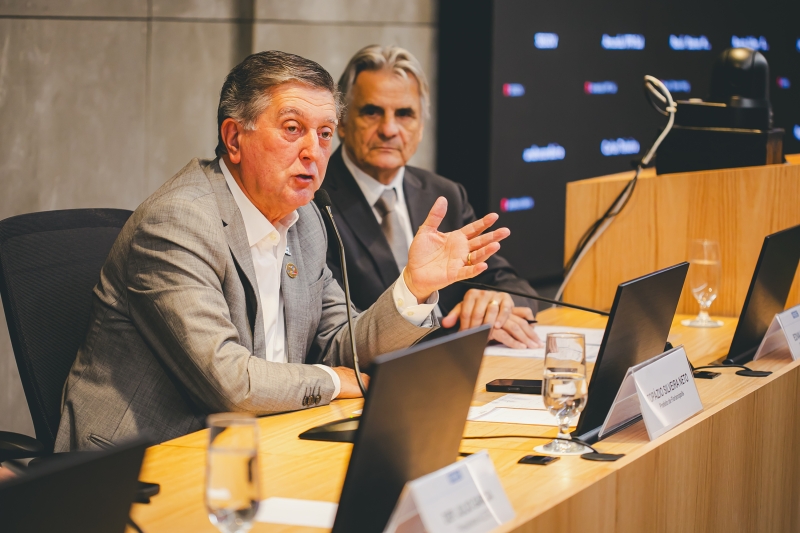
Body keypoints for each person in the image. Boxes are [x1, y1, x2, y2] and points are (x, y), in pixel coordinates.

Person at [54, 51, 509, 451]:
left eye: (326, 133)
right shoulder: (180, 223)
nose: (314, 151)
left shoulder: (307, 220)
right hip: (143, 464)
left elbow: (341, 344)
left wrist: (413, 287)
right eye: (293, 129)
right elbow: (230, 383)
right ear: (234, 139)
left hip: (259, 441)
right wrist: (333, 381)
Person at [321, 45, 541, 349]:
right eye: (372, 112)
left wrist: (498, 302)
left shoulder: (444, 193)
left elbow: (511, 283)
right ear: (341, 123)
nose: (389, 129)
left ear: (421, 127)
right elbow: (341, 334)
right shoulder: (314, 200)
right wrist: (463, 331)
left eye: (404, 114)